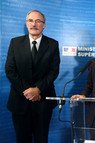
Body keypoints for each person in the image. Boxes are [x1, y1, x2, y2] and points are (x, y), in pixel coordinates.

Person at [5, 10, 60, 143]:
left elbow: (53, 71)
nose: (34, 24)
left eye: (38, 21)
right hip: (19, 101)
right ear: (26, 23)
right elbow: (10, 70)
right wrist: (29, 92)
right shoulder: (15, 43)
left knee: (42, 139)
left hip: (43, 102)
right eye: (30, 20)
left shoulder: (53, 44)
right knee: (22, 139)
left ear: (44, 25)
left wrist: (38, 90)